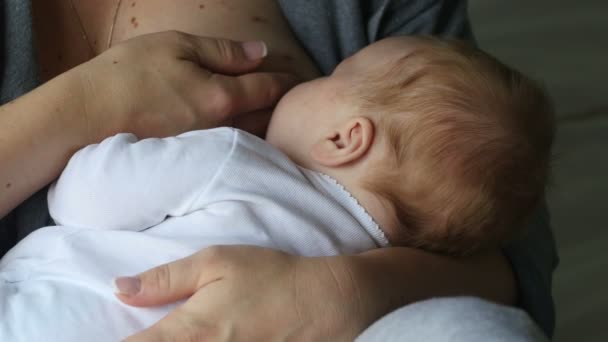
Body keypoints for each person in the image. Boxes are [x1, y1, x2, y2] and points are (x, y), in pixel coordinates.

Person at [0, 1, 558, 341]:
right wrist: (84, 106)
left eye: (333, 74)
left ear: (346, 138)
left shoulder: (232, 158)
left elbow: (512, 246)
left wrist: (348, 291)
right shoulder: (367, 237)